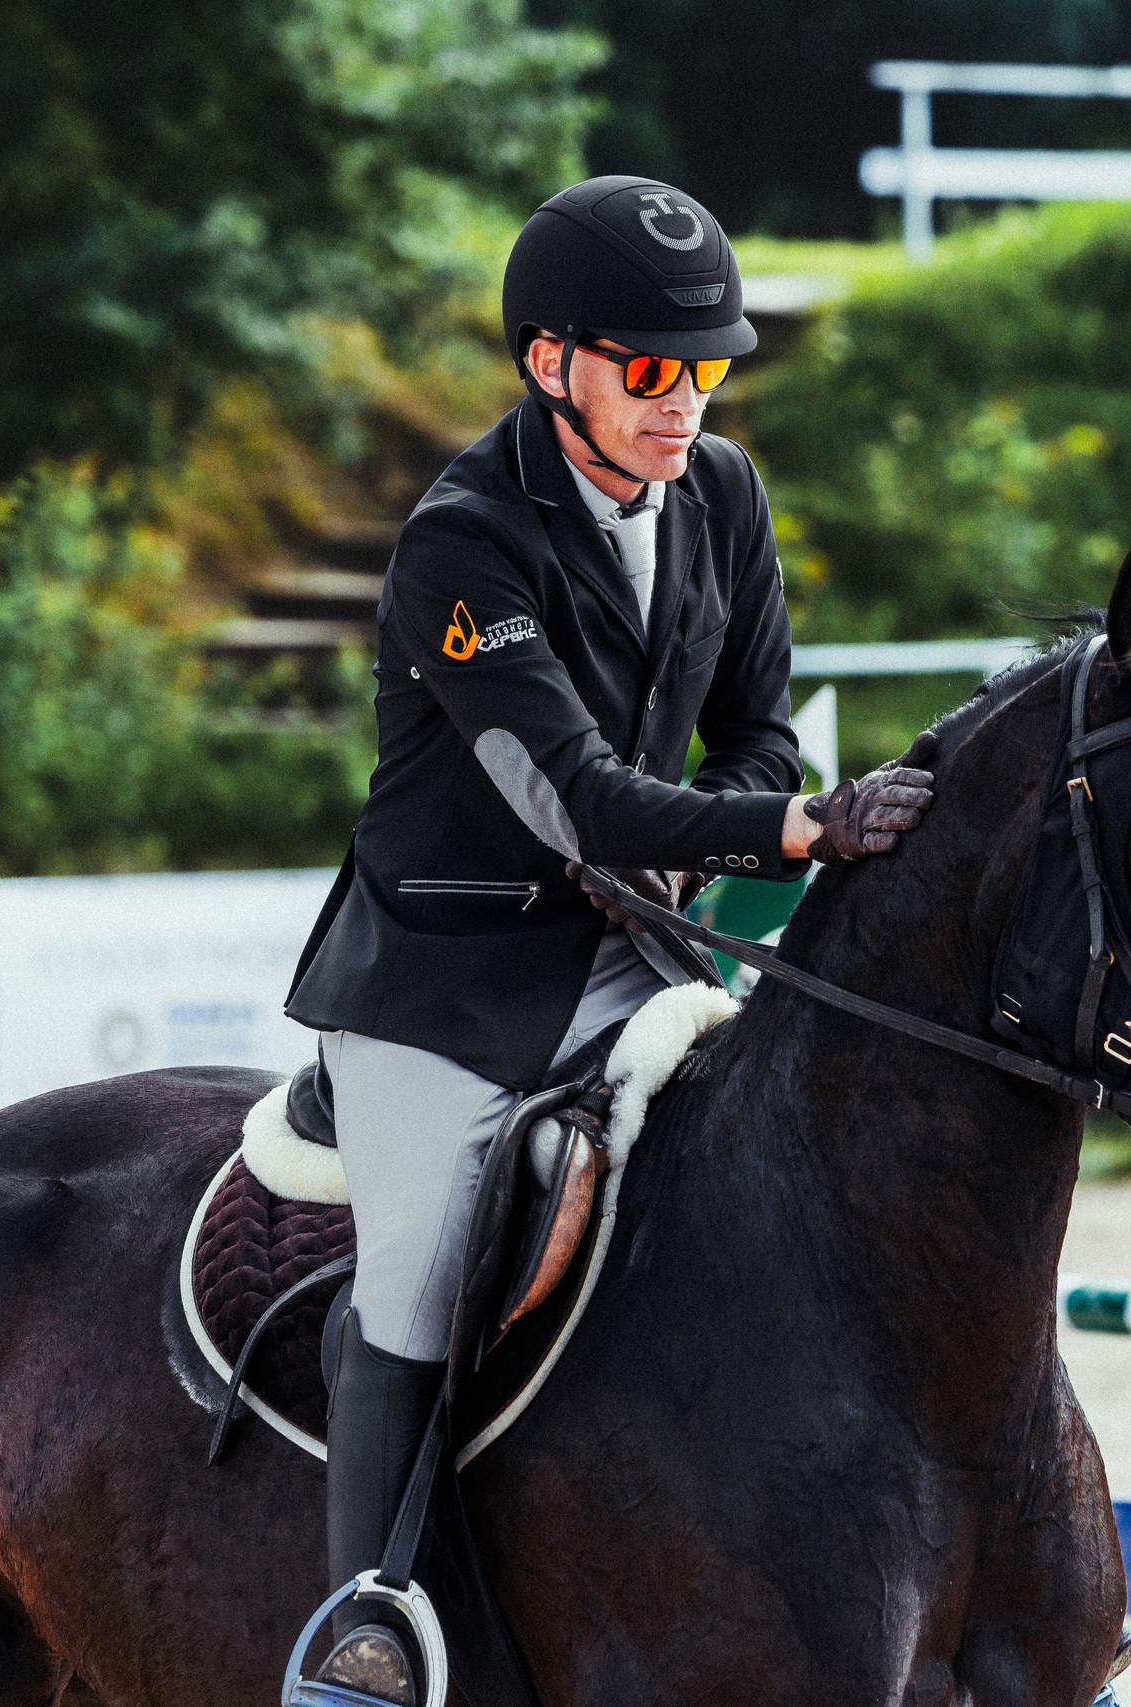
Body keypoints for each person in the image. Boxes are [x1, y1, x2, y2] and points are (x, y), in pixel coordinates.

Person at [281, 175, 935, 1705]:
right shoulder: (462, 545)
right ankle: (362, 1624)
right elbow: (573, 799)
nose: (685, 403)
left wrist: (763, 813)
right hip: (445, 986)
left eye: (709, 368)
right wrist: (794, 835)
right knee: (422, 1276)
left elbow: (757, 733)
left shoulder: (724, 496)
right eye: (650, 371)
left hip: (637, 957)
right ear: (547, 362)